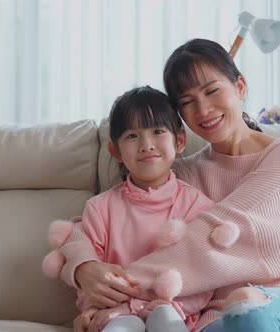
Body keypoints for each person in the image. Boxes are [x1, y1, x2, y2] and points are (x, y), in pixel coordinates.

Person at [61, 39, 280, 332]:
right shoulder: (184, 172)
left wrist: (115, 292)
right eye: (187, 102)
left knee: (247, 306)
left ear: (239, 87)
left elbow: (208, 239)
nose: (202, 110)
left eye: (212, 91)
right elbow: (90, 220)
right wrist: (84, 268)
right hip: (213, 318)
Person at [60, 85, 215, 332]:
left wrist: (138, 307)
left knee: (165, 318)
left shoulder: (198, 206)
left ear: (180, 140)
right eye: (132, 136)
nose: (146, 145)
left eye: (157, 131)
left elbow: (204, 280)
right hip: (115, 316)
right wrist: (97, 309)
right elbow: (89, 285)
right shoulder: (100, 208)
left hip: (173, 311)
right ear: (115, 151)